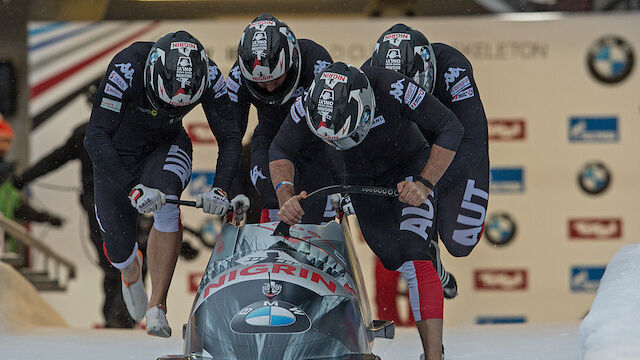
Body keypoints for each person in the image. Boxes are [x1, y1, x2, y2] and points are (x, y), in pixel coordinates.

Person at [270, 62, 467, 360]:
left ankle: (433, 355)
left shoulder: (391, 87)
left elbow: (451, 127)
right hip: (360, 179)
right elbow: (280, 150)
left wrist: (425, 183)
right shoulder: (310, 99)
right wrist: (285, 195)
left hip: (409, 168)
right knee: (390, 257)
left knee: (413, 253)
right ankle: (428, 261)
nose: (339, 144)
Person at [84, 31, 244, 337]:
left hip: (167, 144)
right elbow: (95, 138)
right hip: (118, 153)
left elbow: (230, 136)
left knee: (167, 202)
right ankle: (131, 270)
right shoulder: (127, 67)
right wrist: (132, 187)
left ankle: (158, 306)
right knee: (119, 252)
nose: (170, 108)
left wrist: (221, 187)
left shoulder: (208, 73)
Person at [365, 24, 490, 323]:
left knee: (461, 242)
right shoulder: (368, 76)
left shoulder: (453, 69)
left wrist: (427, 184)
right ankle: (426, 249)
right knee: (398, 246)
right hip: (406, 145)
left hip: (454, 145)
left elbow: (473, 142)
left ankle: (435, 246)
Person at [226, 13, 340, 223]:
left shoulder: (316, 61)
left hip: (317, 143)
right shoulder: (237, 77)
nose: (269, 88)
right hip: (270, 138)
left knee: (317, 201)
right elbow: (230, 140)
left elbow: (335, 128)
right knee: (271, 194)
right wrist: (234, 191)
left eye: (276, 80)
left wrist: (342, 181)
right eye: (261, 83)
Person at [0, 117, 63, 259]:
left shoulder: (8, 178)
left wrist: (46, 218)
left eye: (9, 142)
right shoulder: (6, 174)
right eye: (4, 141)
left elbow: (17, 208)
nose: (7, 147)